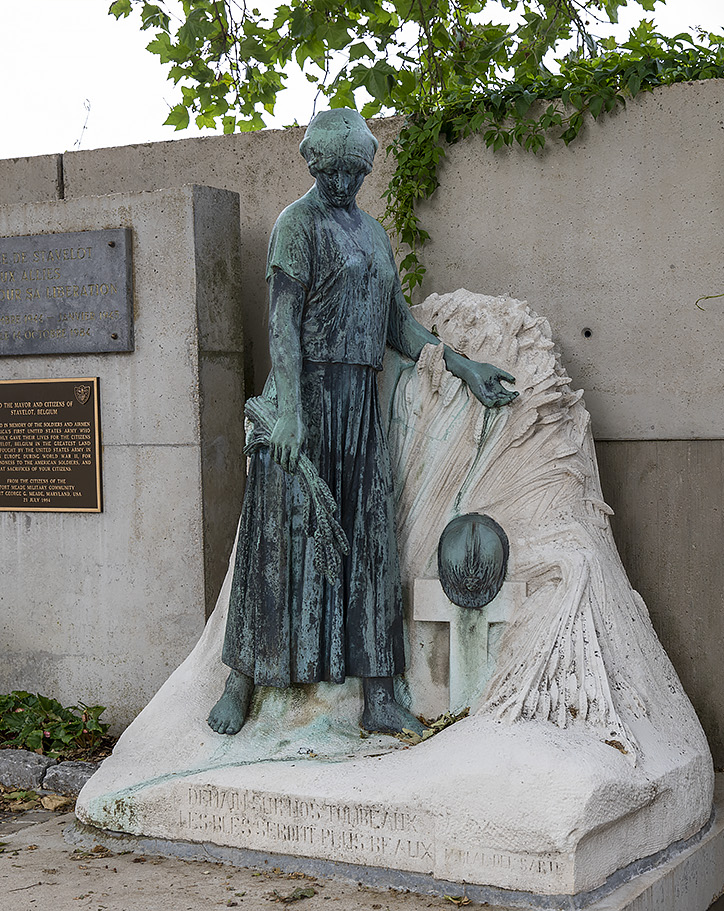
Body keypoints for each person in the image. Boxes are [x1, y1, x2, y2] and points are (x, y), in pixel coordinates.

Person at [208, 109, 517, 736]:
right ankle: (241, 680)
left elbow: (397, 325)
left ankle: (379, 693)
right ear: (314, 164)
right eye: (333, 170)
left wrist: (461, 365)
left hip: (359, 408)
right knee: (281, 541)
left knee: (369, 544)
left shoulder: (374, 236)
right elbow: (282, 323)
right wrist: (291, 412)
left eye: (355, 172)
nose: (344, 182)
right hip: (305, 401)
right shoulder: (295, 226)